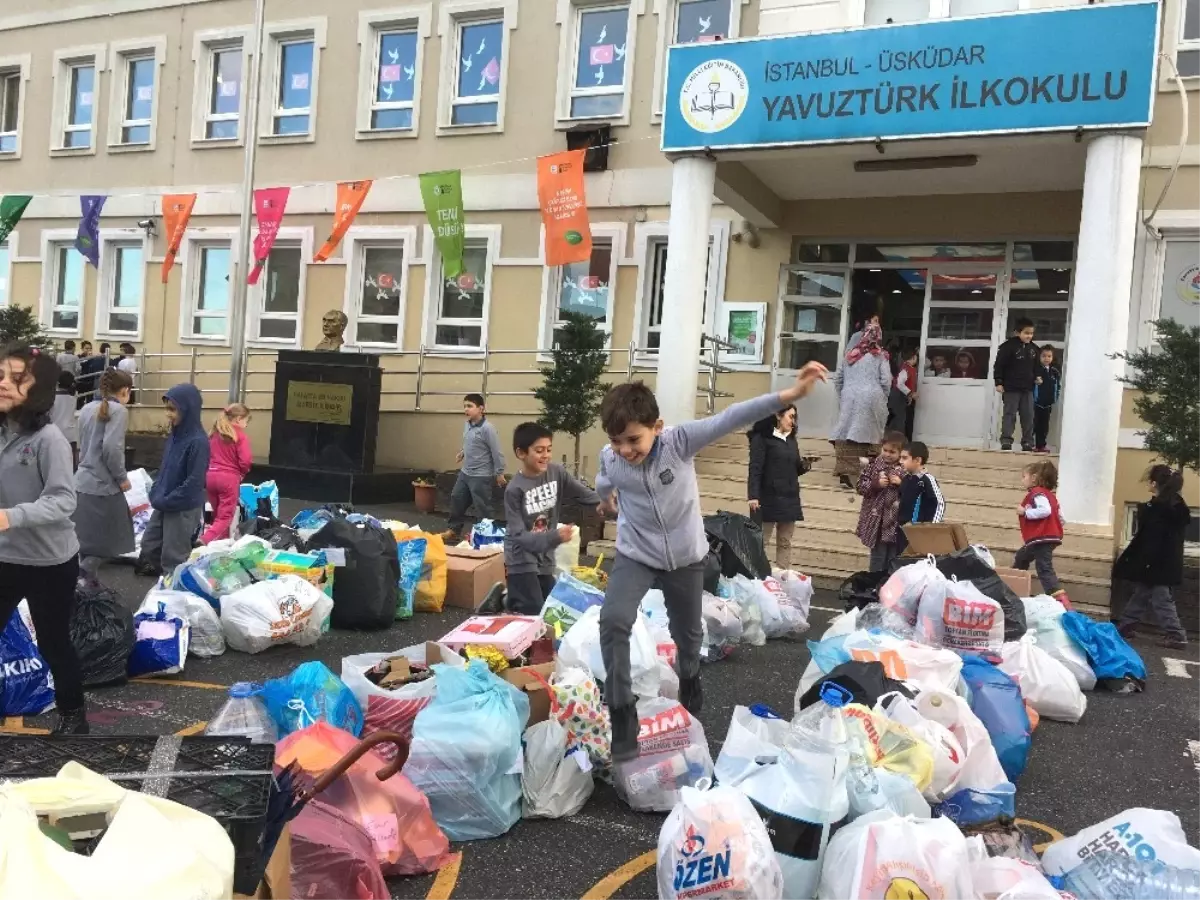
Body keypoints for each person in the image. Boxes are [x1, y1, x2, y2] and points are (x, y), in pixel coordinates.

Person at [596, 361, 829, 761]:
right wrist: (605, 500)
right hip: (636, 553)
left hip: (686, 556)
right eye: (617, 441)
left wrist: (788, 396)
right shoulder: (612, 457)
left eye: (633, 439)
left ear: (657, 426)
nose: (624, 450)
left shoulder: (679, 442)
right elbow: (605, 479)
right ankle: (620, 710)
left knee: (688, 635)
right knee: (613, 619)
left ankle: (689, 676)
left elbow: (731, 416)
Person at [0, 344, 87, 734]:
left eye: (17, 378)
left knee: (53, 641)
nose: (4, 384)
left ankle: (73, 714)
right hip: (5, 557)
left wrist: (11, 516)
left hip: (50, 562)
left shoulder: (49, 439)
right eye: (1, 375)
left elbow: (63, 500)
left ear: (39, 390)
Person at [501, 422, 600, 614]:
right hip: (520, 556)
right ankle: (510, 601)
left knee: (550, 606)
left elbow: (584, 494)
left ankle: (508, 599)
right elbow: (519, 535)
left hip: (545, 553)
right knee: (533, 610)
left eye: (549, 449)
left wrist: (613, 504)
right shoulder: (514, 489)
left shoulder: (556, 473)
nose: (545, 455)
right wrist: (554, 537)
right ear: (521, 453)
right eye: (539, 450)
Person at [135, 384, 209, 577]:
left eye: (173, 409)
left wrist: (167, 499)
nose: (168, 414)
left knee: (173, 556)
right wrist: (156, 491)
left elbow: (195, 481)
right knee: (150, 545)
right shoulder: (176, 436)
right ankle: (166, 586)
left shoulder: (198, 441)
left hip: (182, 507)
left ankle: (172, 597)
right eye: (167, 408)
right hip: (164, 502)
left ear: (188, 409)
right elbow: (165, 468)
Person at [1115, 465, 1190, 650]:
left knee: (1161, 599)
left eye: (1150, 481)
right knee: (1141, 593)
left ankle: (1176, 635)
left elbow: (1152, 540)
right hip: (1163, 562)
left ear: (1155, 484)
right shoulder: (1173, 506)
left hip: (1157, 563)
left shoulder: (1159, 510)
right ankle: (1126, 626)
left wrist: (1145, 562)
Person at [73, 368, 135, 587]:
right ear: (126, 390)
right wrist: (121, 478)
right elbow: (112, 448)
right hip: (105, 485)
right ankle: (85, 577)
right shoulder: (119, 411)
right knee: (115, 538)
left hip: (82, 481)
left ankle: (86, 584)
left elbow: (81, 445)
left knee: (85, 539)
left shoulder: (87, 408)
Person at [746, 404, 810, 569]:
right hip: (767, 497)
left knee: (785, 542)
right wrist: (753, 495)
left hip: (789, 497)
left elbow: (794, 469)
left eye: (795, 417)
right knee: (761, 542)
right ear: (778, 415)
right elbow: (755, 468)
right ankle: (758, 578)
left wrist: (805, 465)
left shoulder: (791, 440)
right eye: (790, 416)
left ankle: (782, 578)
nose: (793, 421)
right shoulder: (762, 438)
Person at [830, 322, 891, 489]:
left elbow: (838, 380)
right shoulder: (880, 356)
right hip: (873, 397)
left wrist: (844, 395)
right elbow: (886, 381)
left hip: (849, 396)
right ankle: (867, 473)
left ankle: (845, 473)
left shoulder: (850, 355)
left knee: (846, 433)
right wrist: (883, 397)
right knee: (871, 434)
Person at [443, 393, 505, 543]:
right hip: (465, 473)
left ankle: (485, 535)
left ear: (481, 408)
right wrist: (462, 453)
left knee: (482, 507)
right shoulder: (467, 424)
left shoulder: (488, 428)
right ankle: (453, 530)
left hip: (481, 475)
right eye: (465, 406)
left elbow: (496, 451)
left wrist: (499, 472)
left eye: (470, 406)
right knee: (457, 498)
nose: (466, 409)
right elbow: (470, 443)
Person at [1013, 460, 1070, 609]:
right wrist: (1052, 527)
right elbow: (1061, 518)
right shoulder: (1051, 496)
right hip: (1042, 539)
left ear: (1034, 478)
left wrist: (1025, 512)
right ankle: (1013, 584)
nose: (1022, 480)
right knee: (1021, 557)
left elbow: (1045, 511)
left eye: (1024, 476)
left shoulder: (1037, 493)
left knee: (1044, 568)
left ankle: (1061, 602)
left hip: (1041, 539)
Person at [202, 403, 252, 545]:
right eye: (246, 421)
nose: (246, 425)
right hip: (229, 479)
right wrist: (242, 473)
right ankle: (205, 540)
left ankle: (220, 544)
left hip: (210, 477)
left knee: (218, 515)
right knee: (225, 518)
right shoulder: (240, 436)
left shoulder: (213, 434)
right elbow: (246, 461)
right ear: (238, 419)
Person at [856, 431, 906, 572]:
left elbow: (912, 493)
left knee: (893, 557)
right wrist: (875, 484)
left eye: (893, 452)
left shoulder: (905, 470)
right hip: (876, 521)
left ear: (901, 453)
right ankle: (874, 585)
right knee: (878, 556)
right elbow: (860, 486)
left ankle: (889, 586)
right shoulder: (873, 465)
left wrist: (901, 484)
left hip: (894, 522)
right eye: (885, 450)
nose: (888, 454)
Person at [993, 318, 1039, 451]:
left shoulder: (1034, 349)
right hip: (1011, 387)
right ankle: (1006, 440)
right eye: (1026, 333)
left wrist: (1037, 377)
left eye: (1031, 333)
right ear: (1017, 333)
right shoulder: (1007, 347)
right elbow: (999, 365)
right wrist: (999, 382)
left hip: (1027, 388)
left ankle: (1028, 442)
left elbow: (1037, 367)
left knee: (1028, 415)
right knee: (1009, 414)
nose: (1029, 336)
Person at [895, 440, 946, 555]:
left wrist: (931, 527)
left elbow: (939, 503)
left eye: (904, 458)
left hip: (918, 532)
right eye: (900, 458)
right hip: (903, 530)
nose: (900, 461)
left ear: (918, 460)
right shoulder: (906, 479)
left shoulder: (927, 480)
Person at [1032, 345, 1061, 453]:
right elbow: (1031, 383)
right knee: (1033, 424)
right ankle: (1031, 444)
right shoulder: (1036, 370)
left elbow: (1057, 386)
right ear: (1039, 357)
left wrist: (1054, 398)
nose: (1046, 358)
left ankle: (1041, 445)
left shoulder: (1055, 372)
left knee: (1044, 426)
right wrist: (1035, 380)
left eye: (1049, 356)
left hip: (1048, 403)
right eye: (1044, 356)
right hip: (1036, 402)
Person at [887, 347, 919, 438]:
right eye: (916, 357)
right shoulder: (906, 369)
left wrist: (909, 395)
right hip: (898, 396)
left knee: (900, 418)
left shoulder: (909, 368)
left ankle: (896, 438)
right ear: (913, 358)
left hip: (901, 396)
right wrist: (911, 394)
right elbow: (899, 384)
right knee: (900, 418)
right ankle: (895, 440)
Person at [51, 370, 79, 465]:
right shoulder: (74, 395)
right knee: (71, 465)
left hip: (55, 433)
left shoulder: (52, 397)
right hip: (71, 435)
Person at [77, 341, 107, 409]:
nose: (88, 350)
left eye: (90, 348)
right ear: (82, 349)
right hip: (81, 381)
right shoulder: (79, 357)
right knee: (80, 400)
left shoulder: (93, 358)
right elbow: (80, 365)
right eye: (86, 348)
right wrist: (88, 358)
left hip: (90, 381)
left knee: (90, 400)